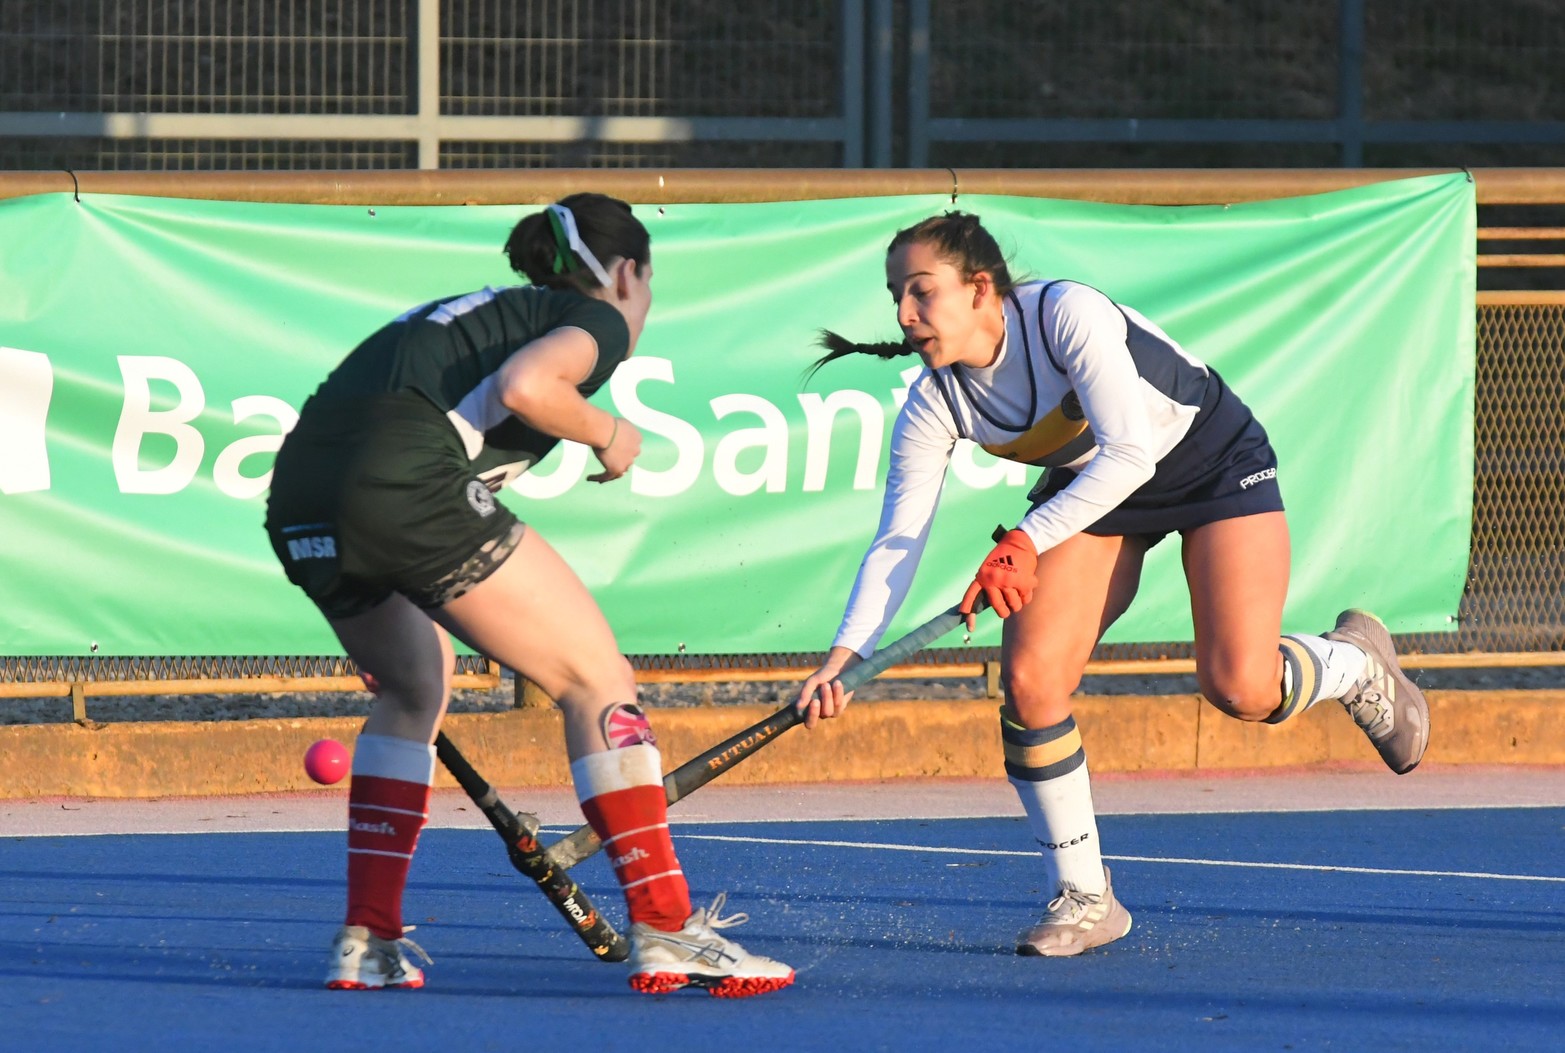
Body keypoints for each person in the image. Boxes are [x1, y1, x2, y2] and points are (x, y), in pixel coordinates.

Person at [795, 211, 1429, 958]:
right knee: (1030, 682)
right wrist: (843, 660)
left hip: (1208, 463)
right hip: (1093, 493)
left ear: (980, 288)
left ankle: (1354, 664)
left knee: (1241, 687)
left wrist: (1025, 541)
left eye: (921, 291)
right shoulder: (936, 401)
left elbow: (1129, 453)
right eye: (896, 295)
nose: (904, 314)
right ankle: (1085, 898)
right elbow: (897, 543)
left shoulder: (1065, 315)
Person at [265, 193, 793, 997]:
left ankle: (368, 940)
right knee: (595, 679)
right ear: (628, 272)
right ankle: (666, 925)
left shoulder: (476, 314)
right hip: (400, 481)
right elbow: (526, 386)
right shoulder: (595, 317)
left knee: (413, 686)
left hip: (299, 498)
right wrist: (610, 432)